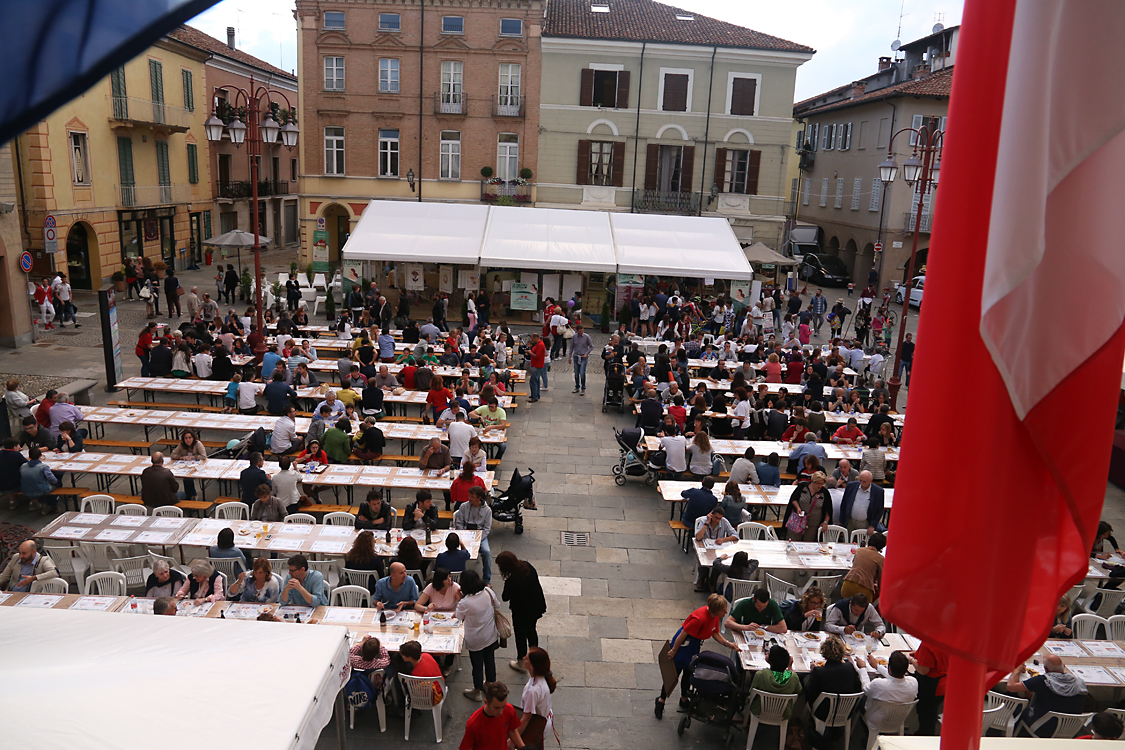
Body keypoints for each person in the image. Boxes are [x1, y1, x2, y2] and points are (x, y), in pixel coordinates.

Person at [654, 594, 739, 718]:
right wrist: (673, 651)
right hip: (683, 647)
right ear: (715, 610)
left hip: (694, 646)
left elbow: (714, 633)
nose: (726, 612)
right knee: (674, 674)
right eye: (723, 610)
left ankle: (683, 698)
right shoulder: (699, 619)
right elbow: (682, 635)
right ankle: (661, 701)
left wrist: (727, 644)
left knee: (688, 673)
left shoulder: (714, 616)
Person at [1006, 653, 1088, 737]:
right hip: (1071, 728)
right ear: (1063, 666)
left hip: (1044, 727)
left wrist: (1016, 671)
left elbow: (1011, 687)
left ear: (1045, 668)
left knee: (1018, 705)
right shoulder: (1079, 682)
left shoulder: (1042, 681)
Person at [456, 569, 503, 701]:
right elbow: (497, 605)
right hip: (490, 634)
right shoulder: (488, 591)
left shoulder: (466, 602)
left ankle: (477, 691)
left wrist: (459, 599)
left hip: (475, 639)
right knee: (490, 660)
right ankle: (490, 683)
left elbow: (458, 616)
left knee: (477, 666)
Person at [496, 551, 547, 673]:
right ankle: (535, 658)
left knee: (521, 635)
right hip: (535, 607)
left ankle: (521, 662)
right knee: (531, 631)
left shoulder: (512, 580)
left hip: (521, 612)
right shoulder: (527, 566)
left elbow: (505, 597)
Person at [855, 651, 918, 736]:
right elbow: (895, 678)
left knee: (860, 698)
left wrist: (862, 668)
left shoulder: (879, 684)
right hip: (898, 719)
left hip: (876, 720)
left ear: (889, 668)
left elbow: (865, 689)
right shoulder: (913, 683)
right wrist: (877, 666)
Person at [805, 636, 863, 722]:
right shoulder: (850, 667)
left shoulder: (819, 671)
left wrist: (813, 672)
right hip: (846, 711)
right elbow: (857, 688)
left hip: (823, 712)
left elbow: (809, 694)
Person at [460, 680, 525, 749]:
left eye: (503, 706)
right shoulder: (473, 724)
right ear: (486, 702)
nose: (501, 712)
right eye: (496, 708)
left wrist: (524, 748)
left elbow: (512, 730)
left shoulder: (509, 709)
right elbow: (466, 747)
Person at [515, 648, 556, 750]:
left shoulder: (533, 691)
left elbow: (526, 718)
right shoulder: (541, 678)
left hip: (536, 726)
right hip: (544, 720)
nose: (524, 658)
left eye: (527, 659)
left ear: (532, 666)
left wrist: (512, 740)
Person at [749, 645, 803, 718]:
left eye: (768, 653)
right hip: (783, 713)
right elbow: (799, 690)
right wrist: (790, 668)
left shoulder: (761, 675)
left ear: (771, 662)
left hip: (759, 710)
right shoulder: (793, 677)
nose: (767, 653)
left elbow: (751, 692)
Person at [455, 486, 494, 583]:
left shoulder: (488, 510)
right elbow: (459, 523)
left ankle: (487, 580)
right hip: (464, 533)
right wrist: (463, 534)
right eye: (469, 496)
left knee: (486, 553)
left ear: (479, 498)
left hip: (480, 535)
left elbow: (486, 529)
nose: (469, 498)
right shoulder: (464, 506)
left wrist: (477, 540)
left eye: (472, 497)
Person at [782, 471, 832, 542]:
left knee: (808, 543)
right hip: (798, 521)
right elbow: (793, 499)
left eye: (822, 483)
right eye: (818, 483)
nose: (820, 486)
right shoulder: (803, 487)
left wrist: (825, 522)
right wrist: (798, 507)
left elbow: (828, 510)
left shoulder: (824, 492)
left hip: (813, 523)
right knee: (795, 541)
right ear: (813, 481)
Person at [841, 532, 885, 603]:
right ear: (882, 547)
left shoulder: (859, 550)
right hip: (864, 591)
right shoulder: (880, 559)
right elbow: (881, 580)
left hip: (847, 586)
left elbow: (855, 564)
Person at [840, 471, 885, 536]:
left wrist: (873, 525)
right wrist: (842, 521)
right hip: (850, 521)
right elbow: (844, 503)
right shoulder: (851, 486)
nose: (862, 483)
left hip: (865, 523)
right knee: (848, 541)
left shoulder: (878, 491)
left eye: (864, 481)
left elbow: (880, 510)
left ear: (871, 480)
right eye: (860, 480)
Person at [569, 323, 594, 395]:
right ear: (577, 331)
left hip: (583, 356)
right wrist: (570, 356)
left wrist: (587, 353)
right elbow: (571, 347)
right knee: (576, 373)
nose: (581, 332)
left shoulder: (586, 337)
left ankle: (583, 387)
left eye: (582, 331)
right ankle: (577, 387)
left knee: (582, 373)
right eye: (580, 331)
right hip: (576, 356)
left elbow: (591, 346)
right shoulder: (574, 337)